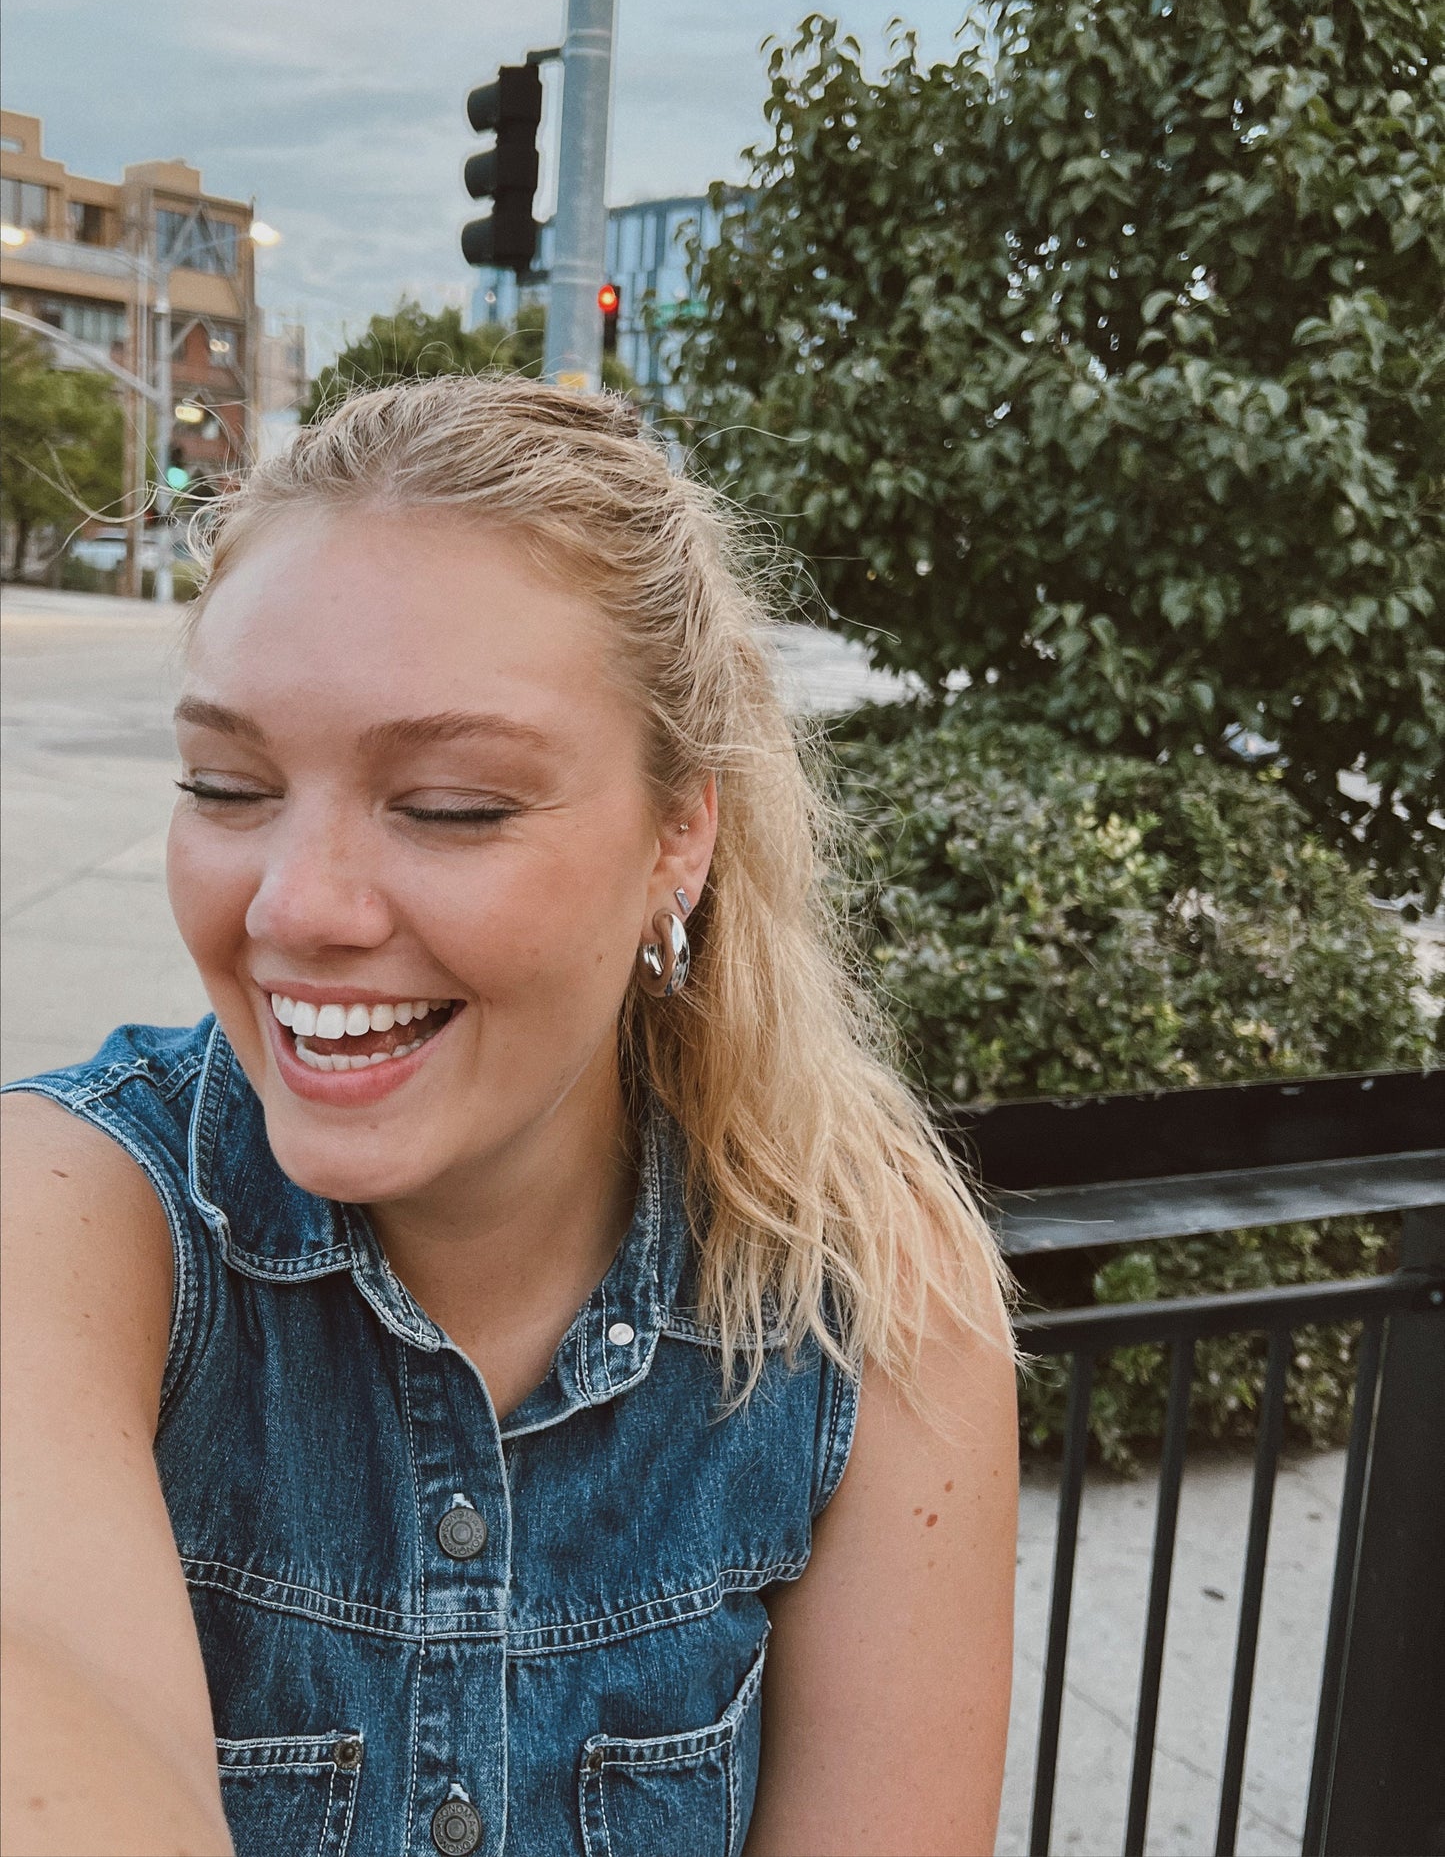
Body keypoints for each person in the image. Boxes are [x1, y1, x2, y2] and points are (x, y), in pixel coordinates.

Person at [1, 376, 1019, 1857]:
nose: (292, 906)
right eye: (228, 786)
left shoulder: (864, 1292)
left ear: (681, 836)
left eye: (453, 806)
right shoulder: (68, 1223)